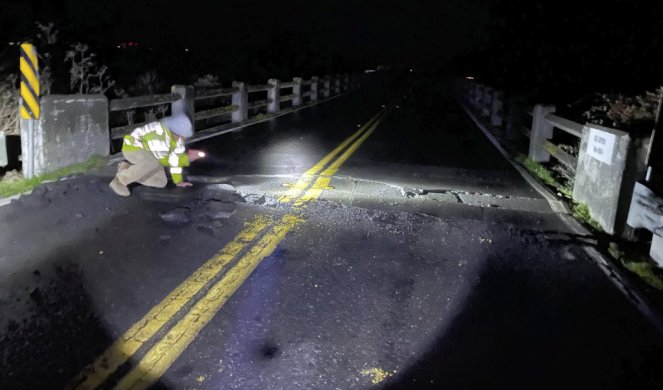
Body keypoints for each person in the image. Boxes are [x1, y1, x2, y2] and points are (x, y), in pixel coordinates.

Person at [109, 114, 203, 197]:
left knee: (161, 182)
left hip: (151, 158)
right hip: (133, 148)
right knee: (152, 162)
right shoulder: (157, 129)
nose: (183, 139)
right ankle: (119, 181)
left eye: (184, 137)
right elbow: (136, 135)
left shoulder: (178, 143)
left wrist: (178, 181)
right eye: (182, 135)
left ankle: (126, 168)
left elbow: (174, 162)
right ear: (175, 131)